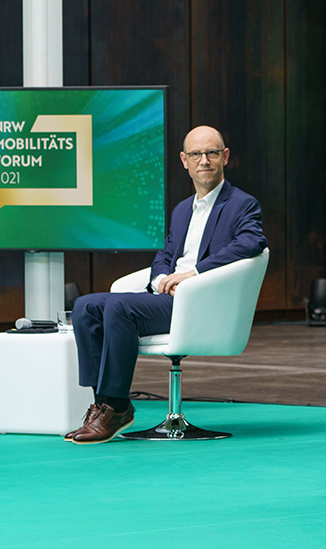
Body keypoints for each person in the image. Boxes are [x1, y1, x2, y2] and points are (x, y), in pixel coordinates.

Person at [67, 125, 267, 444]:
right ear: (184, 160)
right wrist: (160, 279)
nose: (204, 160)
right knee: (85, 306)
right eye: (196, 154)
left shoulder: (242, 204)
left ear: (225, 157)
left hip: (200, 301)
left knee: (119, 306)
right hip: (168, 298)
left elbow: (253, 243)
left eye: (212, 153)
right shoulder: (182, 209)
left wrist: (195, 273)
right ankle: (103, 404)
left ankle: (117, 405)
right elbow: (166, 253)